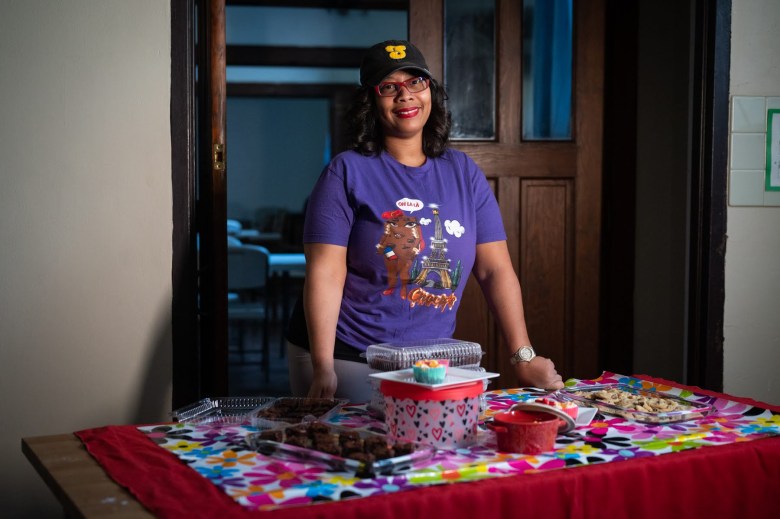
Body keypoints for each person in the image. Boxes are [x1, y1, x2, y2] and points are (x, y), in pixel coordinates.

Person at [286, 40, 563, 402]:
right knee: (362, 452)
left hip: (429, 359)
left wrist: (523, 357)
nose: (405, 96)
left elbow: (495, 271)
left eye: (415, 82)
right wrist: (324, 366)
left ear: (430, 91)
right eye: (389, 87)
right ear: (371, 101)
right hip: (348, 352)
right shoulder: (345, 172)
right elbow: (325, 273)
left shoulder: (464, 171)